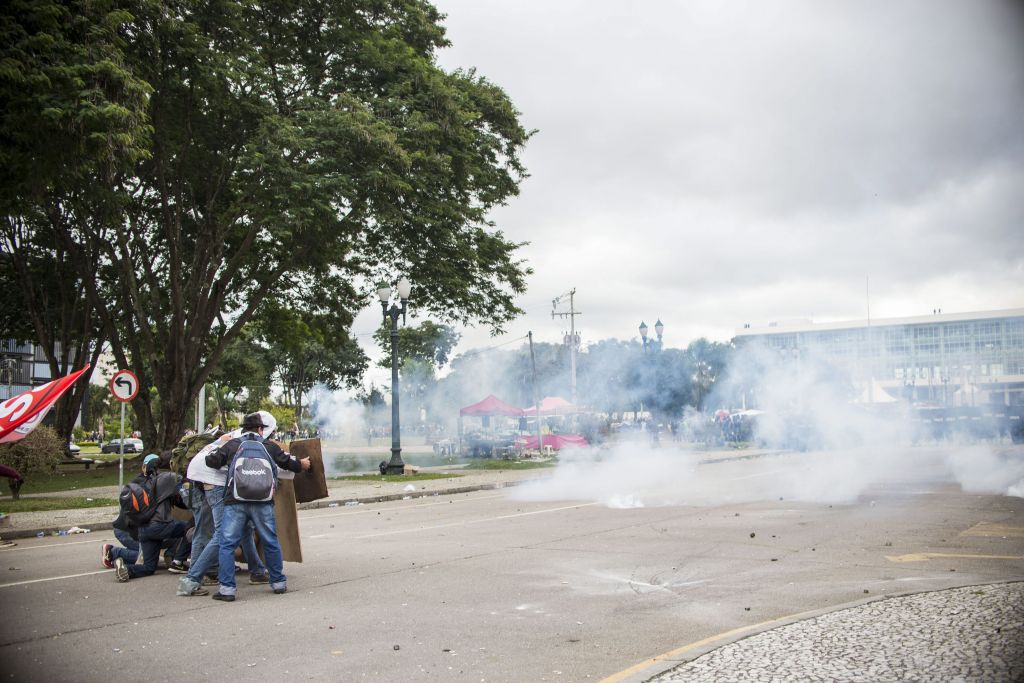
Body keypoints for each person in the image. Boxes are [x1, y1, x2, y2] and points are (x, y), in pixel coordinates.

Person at [203, 412, 309, 601]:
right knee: (271, 540)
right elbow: (289, 463)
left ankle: (227, 590)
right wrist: (303, 464)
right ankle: (278, 583)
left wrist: (218, 446)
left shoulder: (233, 445)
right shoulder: (269, 446)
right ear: (261, 429)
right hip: (263, 502)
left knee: (227, 544)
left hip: (235, 501)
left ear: (244, 429)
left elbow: (211, 461)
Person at [177, 425, 270, 596]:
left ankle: (256, 571)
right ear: (259, 430)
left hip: (197, 478)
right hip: (215, 482)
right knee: (222, 534)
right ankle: (191, 579)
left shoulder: (233, 436)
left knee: (228, 530)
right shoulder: (245, 442)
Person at [113, 454, 191, 582]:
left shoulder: (139, 482)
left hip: (144, 529)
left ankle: (125, 568)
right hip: (160, 525)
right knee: (190, 528)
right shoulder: (168, 478)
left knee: (149, 567)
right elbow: (185, 494)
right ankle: (177, 561)